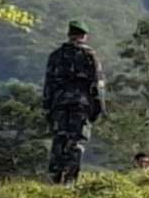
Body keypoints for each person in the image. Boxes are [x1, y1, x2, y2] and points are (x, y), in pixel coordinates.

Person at [42, 20, 105, 184]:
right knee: (76, 141)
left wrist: (47, 108)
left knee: (59, 139)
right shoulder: (89, 55)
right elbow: (97, 83)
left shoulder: (55, 56)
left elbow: (48, 84)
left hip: (59, 103)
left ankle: (54, 177)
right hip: (81, 104)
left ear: (69, 34)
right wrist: (99, 107)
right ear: (84, 36)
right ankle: (70, 179)